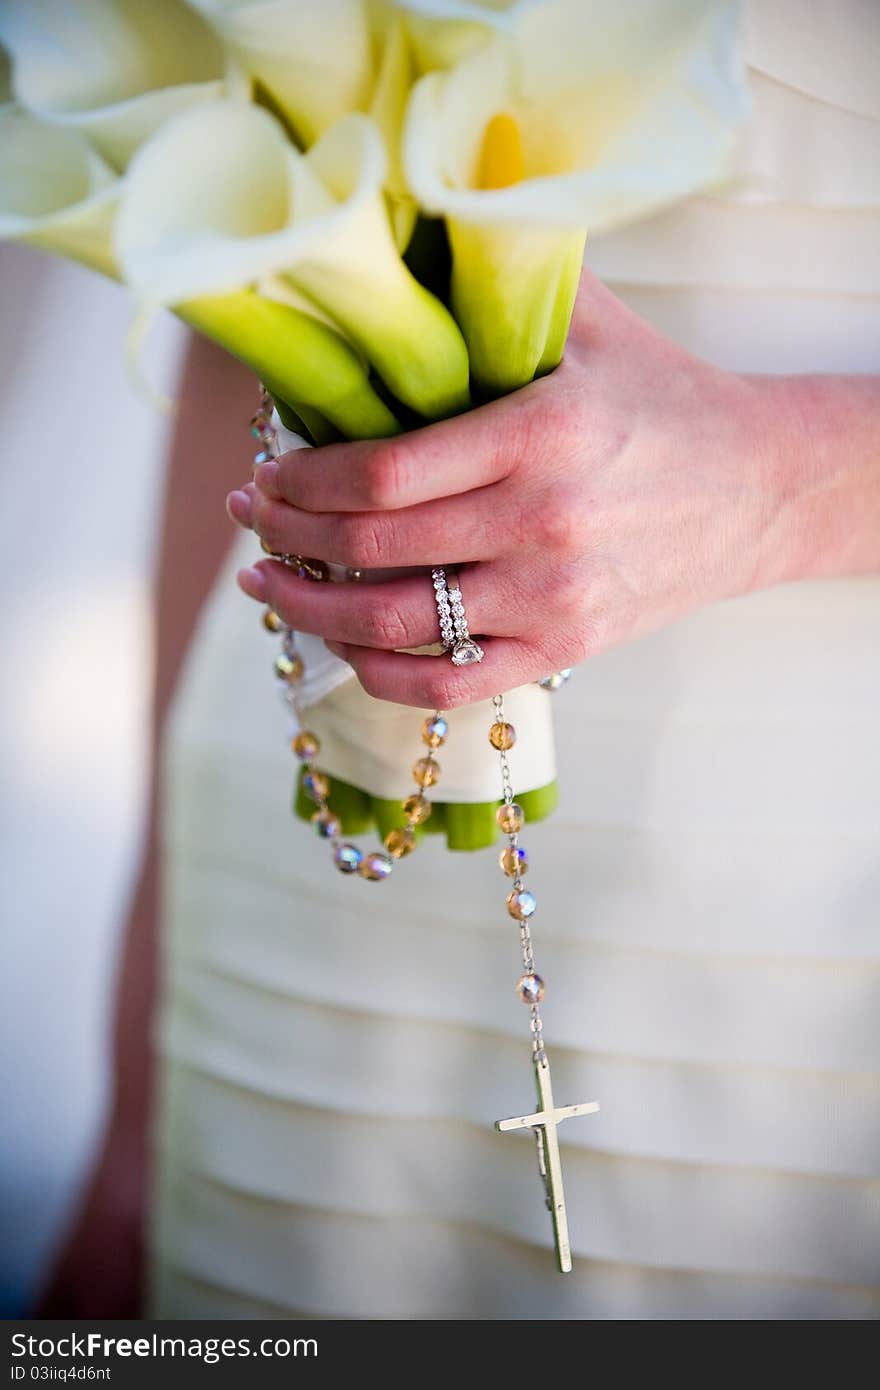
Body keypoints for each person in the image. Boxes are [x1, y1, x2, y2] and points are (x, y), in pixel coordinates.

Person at [41, 15, 880, 1318]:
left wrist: (785, 487)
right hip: (299, 859)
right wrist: (139, 1061)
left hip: (801, 914)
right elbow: (226, 320)